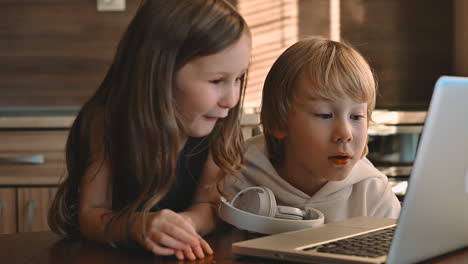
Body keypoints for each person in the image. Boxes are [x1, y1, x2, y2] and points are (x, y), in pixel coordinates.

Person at [48, 0, 251, 261]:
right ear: (159, 72)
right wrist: (137, 226)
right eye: (216, 80)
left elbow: (210, 205)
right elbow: (91, 214)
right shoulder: (106, 121)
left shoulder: (216, 123)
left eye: (239, 79)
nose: (232, 99)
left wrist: (183, 226)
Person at [224, 36, 401, 224]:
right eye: (325, 115)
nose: (345, 133)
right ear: (279, 122)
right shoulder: (237, 177)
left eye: (356, 117)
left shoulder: (372, 190)